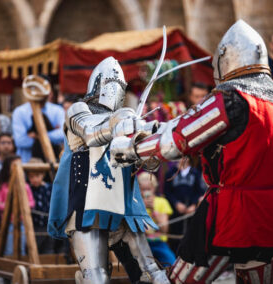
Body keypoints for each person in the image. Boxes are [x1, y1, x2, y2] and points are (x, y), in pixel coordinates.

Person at [111, 20, 273, 284]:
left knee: (180, 281)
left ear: (226, 58)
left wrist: (132, 149)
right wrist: (154, 127)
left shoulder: (232, 96)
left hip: (232, 213)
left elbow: (177, 141)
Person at [48, 57, 169, 284]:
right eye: (110, 82)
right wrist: (120, 121)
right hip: (88, 204)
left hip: (123, 205)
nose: (114, 89)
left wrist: (150, 138)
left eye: (118, 84)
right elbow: (91, 133)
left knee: (152, 273)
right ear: (98, 84)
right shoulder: (79, 109)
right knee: (97, 277)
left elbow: (144, 159)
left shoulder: (125, 116)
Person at [12, 76, 65, 163]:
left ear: (50, 92)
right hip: (27, 162)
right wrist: (51, 136)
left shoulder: (57, 110)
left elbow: (63, 135)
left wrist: (38, 136)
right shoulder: (20, 112)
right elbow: (20, 141)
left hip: (53, 161)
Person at [0, 155, 35, 256]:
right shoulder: (2, 186)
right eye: (15, 165)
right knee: (9, 248)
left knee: (22, 249)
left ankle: (22, 269)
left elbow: (32, 202)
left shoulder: (26, 186)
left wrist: (22, 206)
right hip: (8, 223)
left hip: (23, 222)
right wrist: (11, 207)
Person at [164, 158, 206, 253]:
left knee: (191, 234)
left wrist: (194, 204)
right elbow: (167, 192)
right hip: (175, 211)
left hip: (191, 211)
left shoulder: (195, 173)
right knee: (175, 235)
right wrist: (176, 203)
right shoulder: (170, 173)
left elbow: (199, 191)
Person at [137, 172, 176, 266]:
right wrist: (142, 208)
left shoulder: (162, 202)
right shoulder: (136, 204)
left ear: (154, 188)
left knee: (171, 262)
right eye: (143, 189)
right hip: (141, 244)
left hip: (159, 243)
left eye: (149, 189)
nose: (146, 192)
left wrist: (154, 210)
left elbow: (164, 229)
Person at [26, 157, 60, 254]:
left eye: (37, 176)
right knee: (34, 249)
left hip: (49, 225)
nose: (35, 179)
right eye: (31, 177)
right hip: (34, 226)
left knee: (49, 249)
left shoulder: (49, 187)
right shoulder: (29, 189)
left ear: (43, 175)